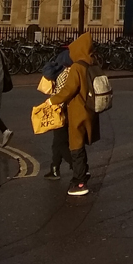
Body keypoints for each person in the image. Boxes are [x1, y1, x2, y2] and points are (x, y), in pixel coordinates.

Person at [48, 32, 100, 196]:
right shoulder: (92, 64)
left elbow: (69, 90)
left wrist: (52, 101)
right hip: (90, 110)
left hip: (78, 111)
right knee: (80, 146)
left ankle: (79, 183)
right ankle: (82, 175)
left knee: (76, 147)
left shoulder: (77, 67)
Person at [40, 44, 73, 179]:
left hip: (59, 108)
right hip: (64, 107)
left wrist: (53, 103)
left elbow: (62, 93)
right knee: (57, 141)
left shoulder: (62, 72)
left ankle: (78, 166)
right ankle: (54, 168)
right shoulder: (71, 71)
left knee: (60, 141)